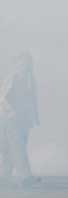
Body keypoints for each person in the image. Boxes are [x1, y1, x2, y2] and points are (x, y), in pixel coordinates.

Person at [0, 52, 40, 186]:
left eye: (29, 63)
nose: (27, 66)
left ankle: (5, 176)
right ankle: (25, 177)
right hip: (11, 119)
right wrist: (11, 112)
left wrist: (35, 117)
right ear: (18, 64)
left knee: (9, 148)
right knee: (18, 147)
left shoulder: (29, 79)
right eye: (24, 63)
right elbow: (3, 97)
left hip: (23, 119)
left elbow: (32, 99)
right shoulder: (13, 78)